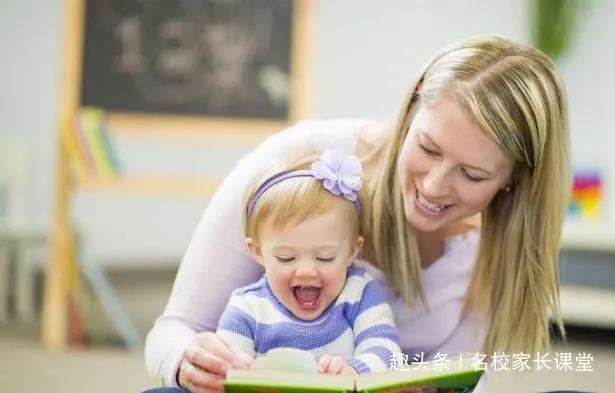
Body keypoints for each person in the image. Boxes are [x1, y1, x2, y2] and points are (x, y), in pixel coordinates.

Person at [145, 35, 570, 392]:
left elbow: (458, 379)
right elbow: (174, 329)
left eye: (473, 174)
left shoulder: (498, 250)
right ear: (414, 105)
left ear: (513, 180)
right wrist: (186, 360)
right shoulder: (297, 166)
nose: (435, 186)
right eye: (428, 148)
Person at [215, 149, 401, 376]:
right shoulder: (247, 309)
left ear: (352, 251)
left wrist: (354, 370)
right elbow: (227, 370)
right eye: (286, 258)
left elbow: (387, 351)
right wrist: (235, 370)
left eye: (325, 257)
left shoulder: (359, 293)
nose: (305, 271)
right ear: (258, 251)